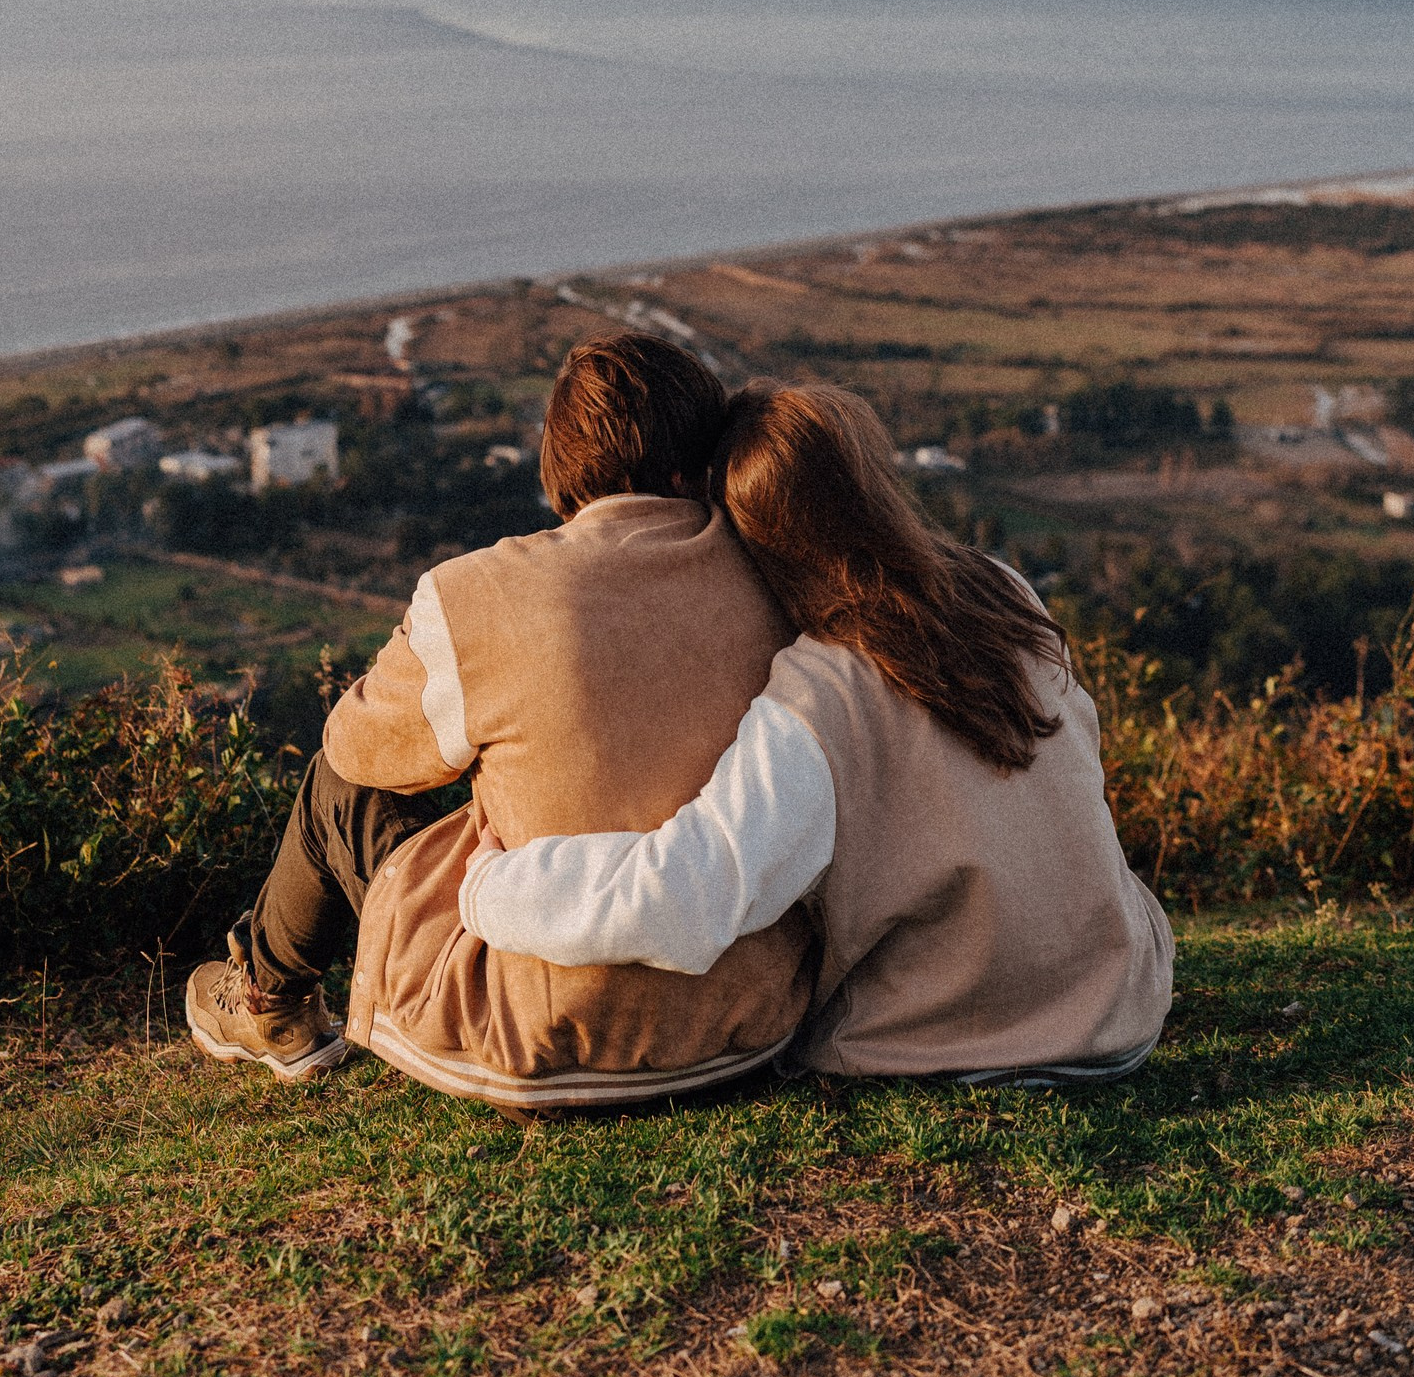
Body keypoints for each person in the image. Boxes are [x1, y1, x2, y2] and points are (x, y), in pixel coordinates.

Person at [458, 381, 1172, 1083]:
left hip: (962, 1037)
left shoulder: (822, 690)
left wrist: (493, 887)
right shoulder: (1002, 589)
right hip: (1122, 1004)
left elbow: (681, 901)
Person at [184, 333, 815, 1110]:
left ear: (559, 460)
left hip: (543, 1036)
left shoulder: (482, 590)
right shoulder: (779, 575)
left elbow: (355, 747)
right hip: (754, 1026)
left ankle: (269, 1005)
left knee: (336, 785)